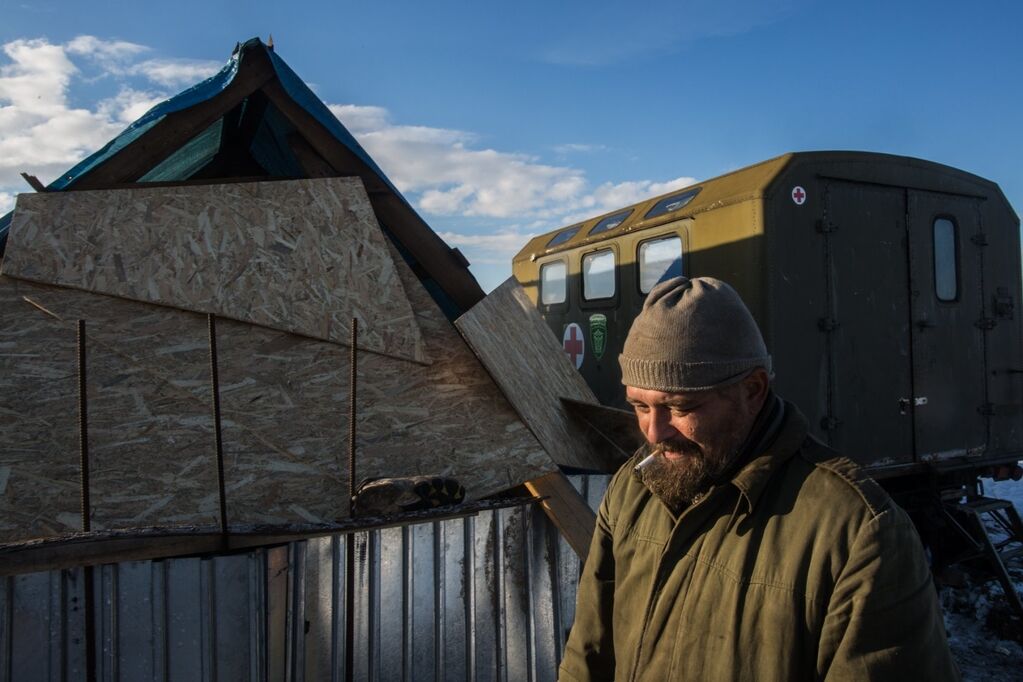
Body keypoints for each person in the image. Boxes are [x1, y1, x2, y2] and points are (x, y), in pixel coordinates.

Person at [558, 276, 958, 681]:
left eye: (679, 407)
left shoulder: (857, 533)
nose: (654, 433)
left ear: (752, 390)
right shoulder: (633, 487)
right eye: (639, 406)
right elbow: (587, 655)